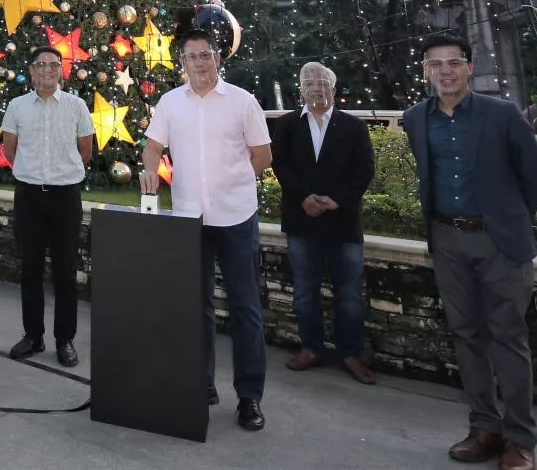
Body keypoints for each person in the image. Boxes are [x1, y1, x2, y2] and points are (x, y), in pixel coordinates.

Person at [403, 34, 537, 470]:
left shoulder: (501, 115)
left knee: (508, 338)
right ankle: (484, 428)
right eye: (436, 64)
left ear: (468, 67)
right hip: (447, 240)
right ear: (425, 71)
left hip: (499, 242)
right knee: (467, 337)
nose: (445, 70)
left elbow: (533, 179)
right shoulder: (414, 118)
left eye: (453, 62)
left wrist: (507, 221)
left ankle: (520, 440)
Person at [140, 28, 272, 432]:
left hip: (235, 218)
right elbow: (152, 147)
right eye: (192, 56)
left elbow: (263, 155)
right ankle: (201, 383)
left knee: (246, 309)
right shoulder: (169, 103)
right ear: (182, 61)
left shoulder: (242, 101)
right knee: (196, 309)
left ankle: (249, 397)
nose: (199, 61)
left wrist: (235, 182)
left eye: (206, 55)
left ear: (218, 59)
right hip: (189, 219)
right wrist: (149, 170)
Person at [271, 61, 376, 384]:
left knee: (349, 294)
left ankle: (350, 354)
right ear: (301, 90)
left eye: (323, 84)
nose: (317, 88)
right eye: (310, 84)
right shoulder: (287, 125)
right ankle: (311, 348)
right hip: (302, 220)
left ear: (334, 90)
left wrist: (336, 200)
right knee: (304, 291)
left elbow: (364, 169)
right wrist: (304, 197)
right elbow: (282, 166)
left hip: (342, 221)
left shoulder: (353, 127)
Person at [1, 46, 94, 368]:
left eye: (53, 65)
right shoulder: (17, 107)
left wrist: (59, 173)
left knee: (65, 271)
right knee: (30, 267)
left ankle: (64, 339)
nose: (47, 71)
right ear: (31, 70)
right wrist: (33, 173)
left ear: (61, 70)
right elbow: (10, 150)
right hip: (29, 196)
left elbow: (85, 151)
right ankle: (33, 336)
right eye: (41, 65)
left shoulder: (76, 106)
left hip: (65, 197)